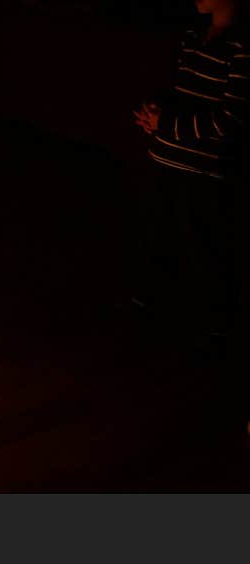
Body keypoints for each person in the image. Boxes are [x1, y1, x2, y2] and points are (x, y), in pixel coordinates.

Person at [131, 0, 247, 339]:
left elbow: (231, 120)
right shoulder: (195, 34)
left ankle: (208, 332)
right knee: (154, 236)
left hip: (202, 171)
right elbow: (185, 94)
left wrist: (167, 122)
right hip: (165, 157)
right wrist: (155, 113)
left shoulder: (242, 46)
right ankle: (146, 312)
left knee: (201, 249)